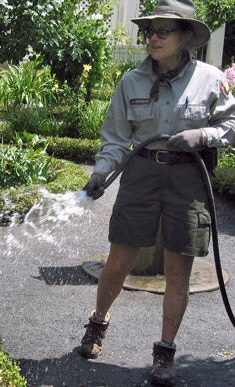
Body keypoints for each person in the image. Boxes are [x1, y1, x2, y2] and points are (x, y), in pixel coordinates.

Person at [78, 0, 235, 385]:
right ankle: (99, 321)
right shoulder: (131, 81)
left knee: (177, 271)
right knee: (118, 261)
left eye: (164, 31)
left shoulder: (211, 79)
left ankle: (165, 352)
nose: (154, 37)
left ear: (185, 37)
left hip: (188, 178)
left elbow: (231, 123)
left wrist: (203, 134)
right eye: (151, 30)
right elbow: (115, 139)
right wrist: (100, 173)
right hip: (141, 174)